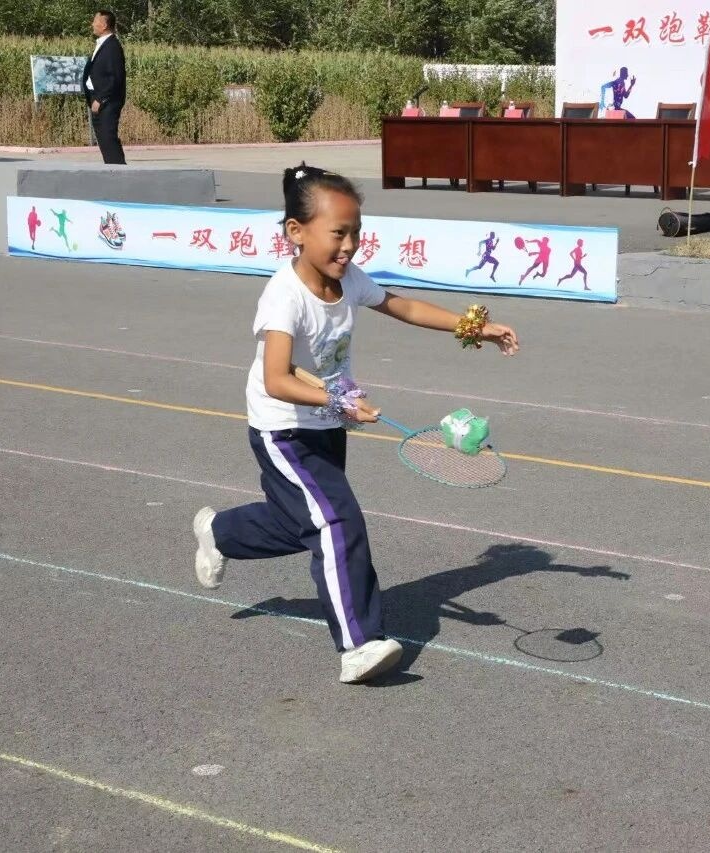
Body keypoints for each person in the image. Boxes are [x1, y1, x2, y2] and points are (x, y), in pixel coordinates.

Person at [191, 164, 519, 684]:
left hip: (325, 425)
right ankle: (359, 644)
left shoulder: (348, 280)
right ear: (296, 232)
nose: (349, 246)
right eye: (338, 233)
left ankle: (220, 531)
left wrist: (471, 327)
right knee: (337, 522)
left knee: (300, 523)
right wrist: (337, 397)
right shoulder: (284, 296)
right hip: (283, 430)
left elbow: (403, 305)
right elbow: (277, 378)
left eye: (356, 233)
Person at [82, 10, 126, 165]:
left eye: (95, 21)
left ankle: (119, 171)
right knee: (104, 140)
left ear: (105, 25)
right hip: (98, 99)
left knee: (108, 138)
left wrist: (100, 99)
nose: (92, 24)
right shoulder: (103, 44)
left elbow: (115, 77)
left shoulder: (112, 46)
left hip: (107, 102)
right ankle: (113, 169)